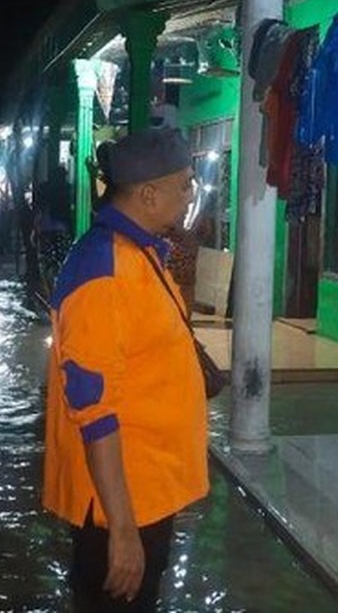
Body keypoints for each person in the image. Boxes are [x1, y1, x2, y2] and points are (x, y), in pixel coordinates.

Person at [42, 128, 209, 612]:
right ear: (149, 193)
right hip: (120, 501)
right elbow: (94, 409)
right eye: (184, 185)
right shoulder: (104, 269)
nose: (190, 195)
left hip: (146, 488)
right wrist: (122, 530)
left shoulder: (138, 251)